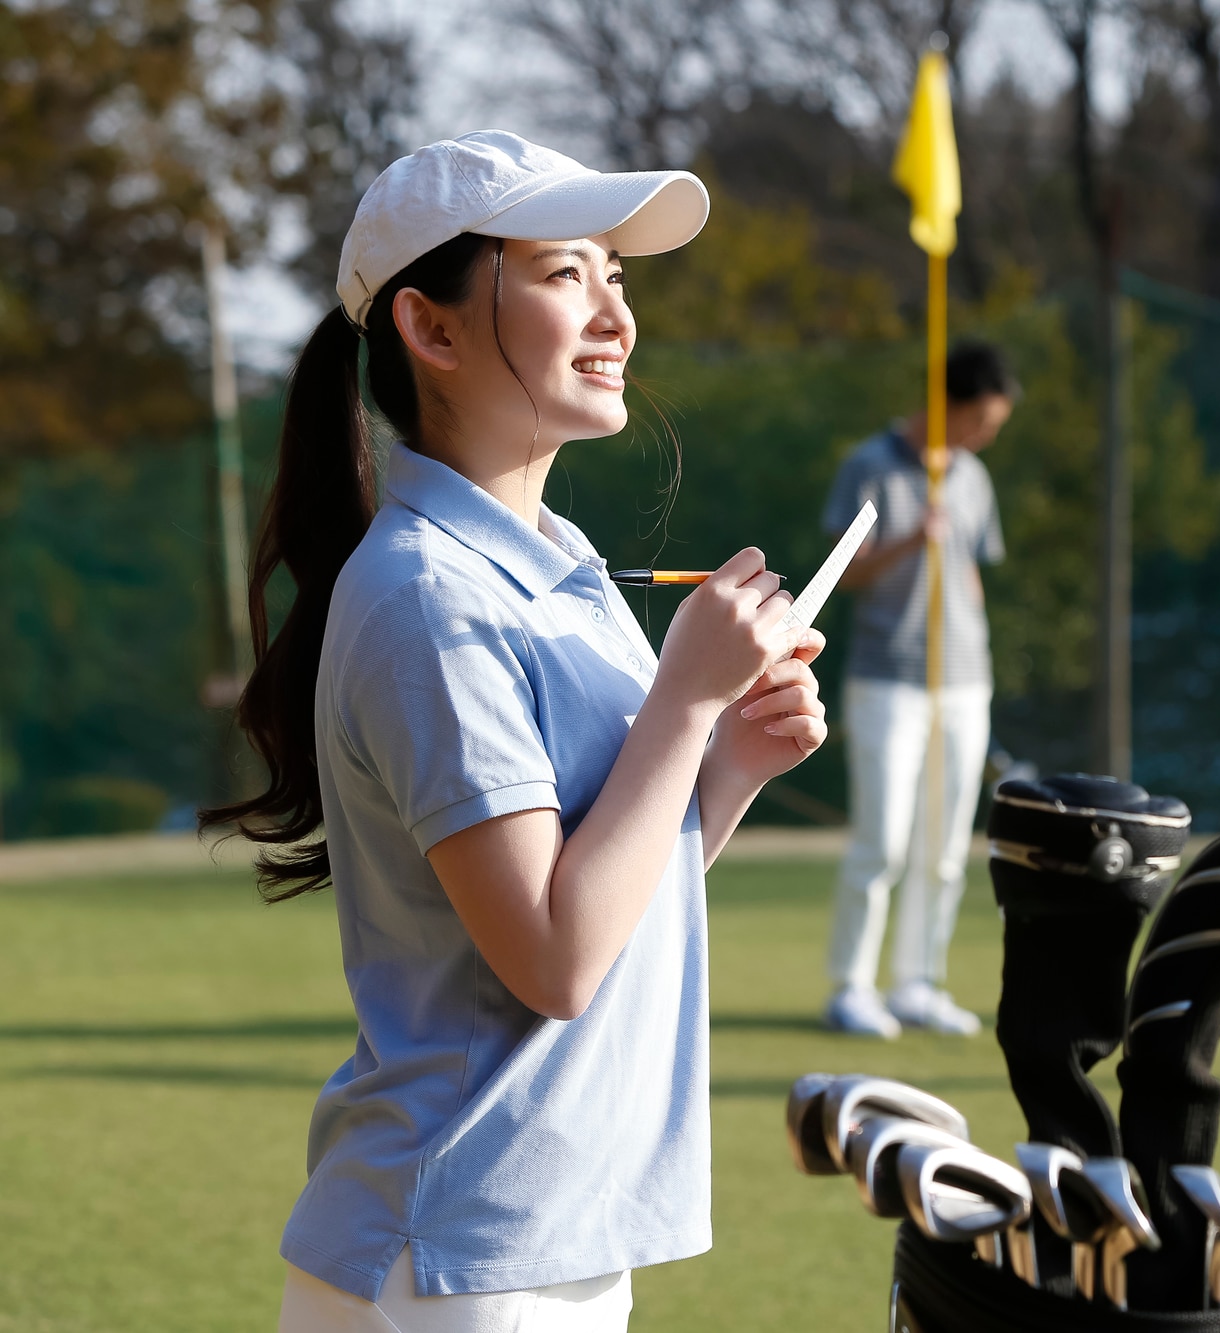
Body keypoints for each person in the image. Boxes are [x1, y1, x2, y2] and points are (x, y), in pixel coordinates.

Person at [201, 131, 828, 1331]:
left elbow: (607, 896)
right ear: (430, 332)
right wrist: (686, 703)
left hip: (538, 1244)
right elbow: (550, 957)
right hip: (453, 1262)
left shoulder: (558, 567)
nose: (614, 316)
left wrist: (726, 766)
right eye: (562, 274)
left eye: (619, 276)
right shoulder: (429, 600)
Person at [819, 343, 1017, 1038]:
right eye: (981, 421)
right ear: (947, 405)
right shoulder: (868, 467)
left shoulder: (973, 477)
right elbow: (842, 574)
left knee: (943, 846)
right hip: (887, 677)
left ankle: (917, 981)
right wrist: (911, 540)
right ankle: (851, 985)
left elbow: (971, 571)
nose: (986, 436)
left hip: (965, 680)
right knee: (882, 841)